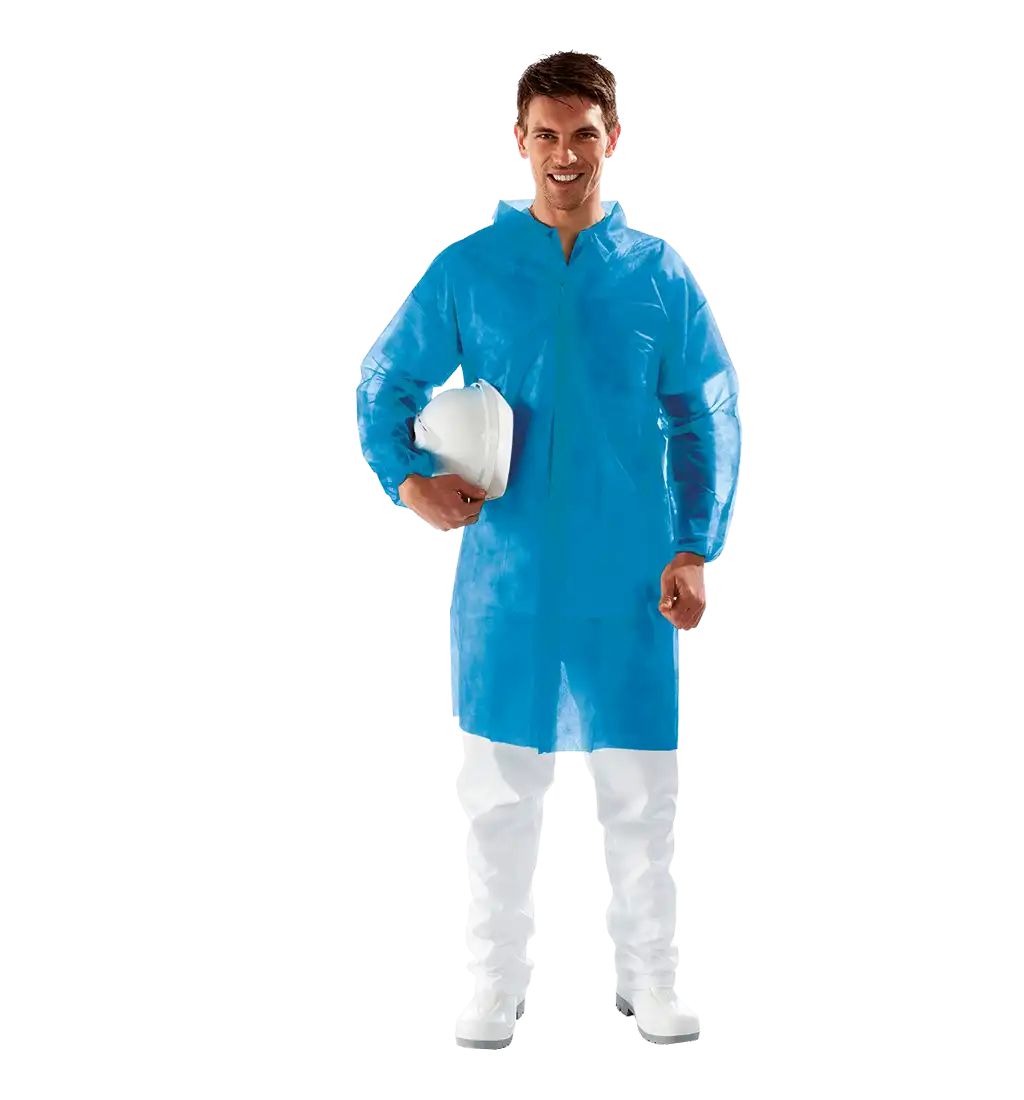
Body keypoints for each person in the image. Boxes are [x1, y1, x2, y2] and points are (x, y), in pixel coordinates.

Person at [355, 49, 741, 1051]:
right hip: (508, 581)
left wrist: (694, 546)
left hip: (629, 577)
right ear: (519, 142)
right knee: (493, 792)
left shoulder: (656, 276)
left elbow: (705, 414)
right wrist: (409, 478)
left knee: (641, 794)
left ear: (613, 138)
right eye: (545, 135)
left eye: (583, 134)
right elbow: (383, 384)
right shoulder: (470, 272)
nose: (564, 154)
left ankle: (652, 985)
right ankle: (492, 989)